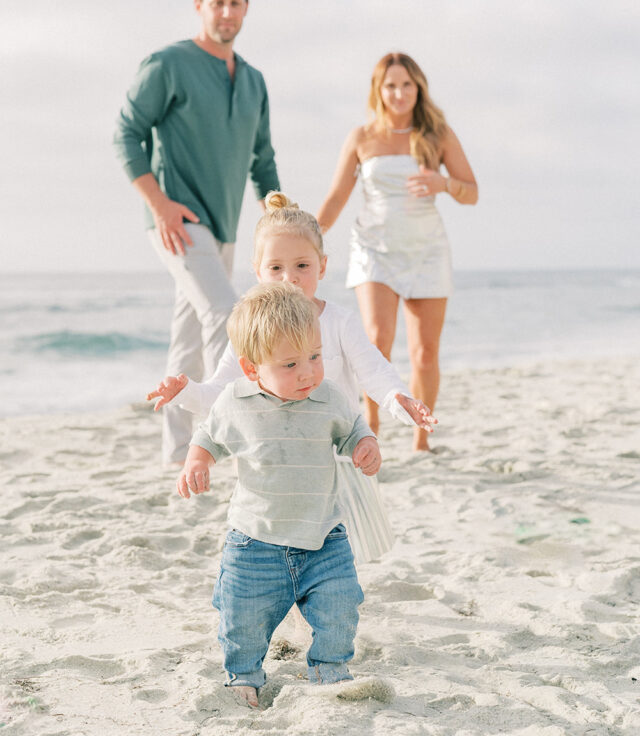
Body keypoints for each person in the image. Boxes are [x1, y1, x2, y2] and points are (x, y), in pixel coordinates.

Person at [148, 192, 437, 562]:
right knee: (278, 550)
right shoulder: (251, 329)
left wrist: (400, 400)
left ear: (322, 265)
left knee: (337, 553)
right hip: (273, 470)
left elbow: (375, 371)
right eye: (275, 268)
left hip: (334, 464)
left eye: (302, 265)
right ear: (257, 270)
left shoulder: (340, 322)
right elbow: (221, 394)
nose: (290, 278)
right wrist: (185, 391)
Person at [179, 282, 381, 708]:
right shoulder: (236, 401)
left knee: (340, 608)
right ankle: (244, 675)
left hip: (324, 538)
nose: (307, 371)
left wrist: (365, 446)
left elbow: (353, 431)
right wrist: (197, 461)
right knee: (243, 619)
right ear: (253, 369)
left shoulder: (328, 398)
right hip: (254, 542)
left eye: (315, 356)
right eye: (290, 364)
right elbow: (209, 436)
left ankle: (330, 668)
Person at [114, 0, 279, 464]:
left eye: (235, 3)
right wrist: (160, 205)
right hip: (179, 224)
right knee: (226, 316)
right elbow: (127, 133)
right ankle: (219, 441)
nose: (226, 12)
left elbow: (263, 159)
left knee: (186, 340)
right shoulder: (168, 64)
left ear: (246, 8)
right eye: (217, 3)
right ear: (199, 7)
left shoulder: (253, 81)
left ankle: (176, 450)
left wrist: (278, 220)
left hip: (226, 227)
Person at [316, 52, 478, 452]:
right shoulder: (362, 137)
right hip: (374, 250)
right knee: (377, 340)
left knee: (424, 354)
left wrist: (443, 184)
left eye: (407, 84)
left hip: (427, 251)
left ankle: (421, 439)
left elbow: (471, 191)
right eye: (391, 85)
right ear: (378, 90)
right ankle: (370, 423)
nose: (399, 93)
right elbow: (337, 197)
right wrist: (308, 237)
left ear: (418, 87)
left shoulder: (437, 134)